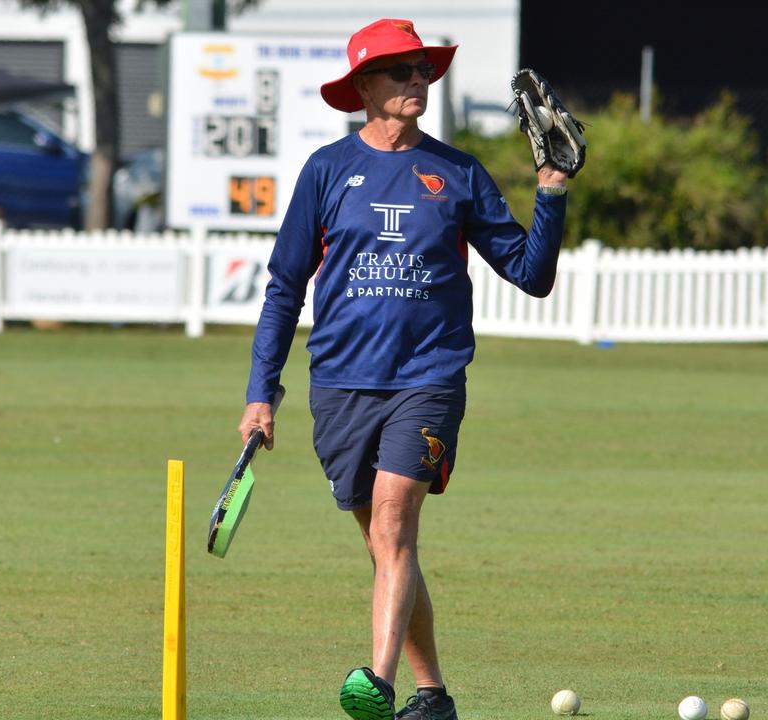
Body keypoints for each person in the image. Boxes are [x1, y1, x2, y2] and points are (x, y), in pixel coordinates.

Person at [237, 18, 570, 720]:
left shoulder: (458, 173)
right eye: (400, 71)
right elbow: (284, 287)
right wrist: (260, 394)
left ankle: (376, 685)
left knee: (394, 522)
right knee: (386, 547)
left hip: (428, 378)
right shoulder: (327, 171)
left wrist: (551, 191)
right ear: (364, 88)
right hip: (339, 384)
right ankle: (434, 696)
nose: (418, 80)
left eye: (422, 69)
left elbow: (531, 275)